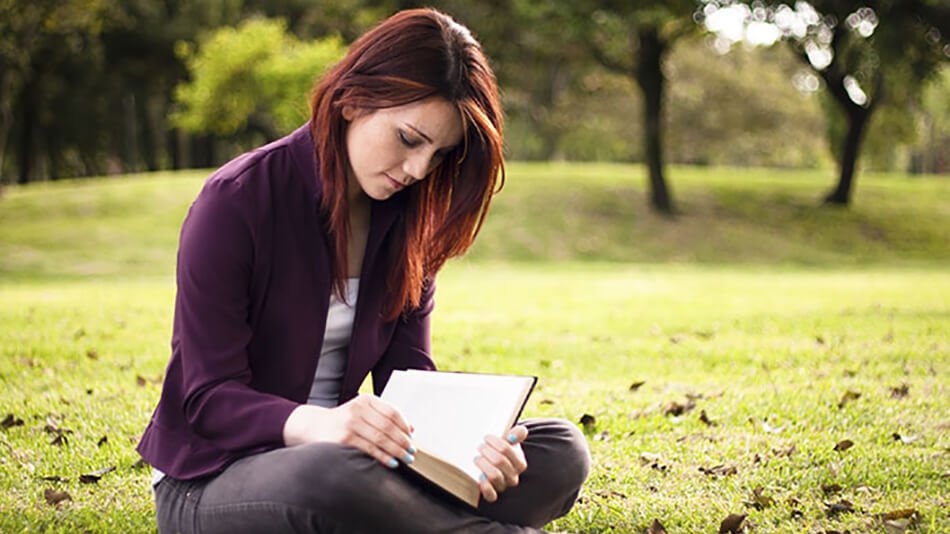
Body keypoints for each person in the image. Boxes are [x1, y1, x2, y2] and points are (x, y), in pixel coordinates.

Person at [137, 8, 590, 533]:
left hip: (360, 466)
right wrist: (325, 425)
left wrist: (476, 447)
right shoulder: (237, 202)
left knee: (559, 451)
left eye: (439, 155)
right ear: (353, 101)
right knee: (333, 476)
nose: (420, 170)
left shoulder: (405, 221)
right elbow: (208, 400)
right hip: (218, 478)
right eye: (409, 139)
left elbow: (409, 377)